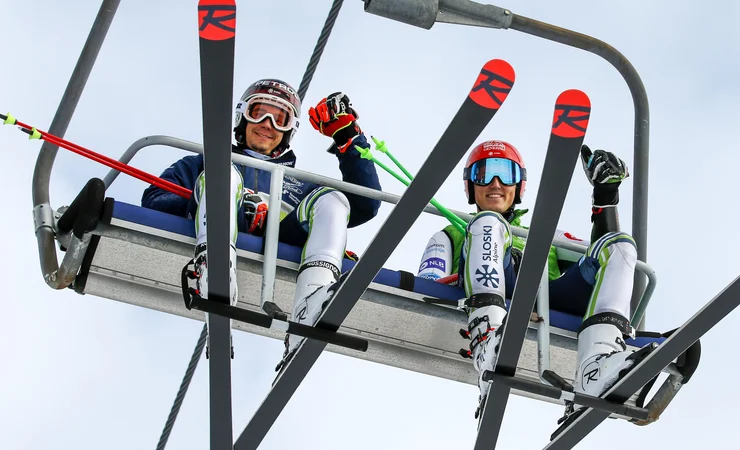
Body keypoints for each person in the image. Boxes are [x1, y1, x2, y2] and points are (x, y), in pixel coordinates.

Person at [141, 79, 382, 368]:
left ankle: (311, 302)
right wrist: (225, 208)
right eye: (259, 113)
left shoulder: (300, 184)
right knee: (223, 173)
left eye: (279, 119)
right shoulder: (203, 163)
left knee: (332, 199)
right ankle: (215, 269)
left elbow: (366, 205)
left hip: (285, 237)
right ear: (243, 116)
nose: (267, 124)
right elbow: (155, 199)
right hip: (220, 226)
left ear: (288, 130)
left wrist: (348, 138)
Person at [417, 140, 639, 420]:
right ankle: (487, 340)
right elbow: (427, 284)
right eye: (483, 174)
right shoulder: (451, 234)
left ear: (519, 185)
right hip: (493, 294)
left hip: (550, 295)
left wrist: (606, 197)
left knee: (621, 245)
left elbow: (598, 257)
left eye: (505, 174)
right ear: (470, 185)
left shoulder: (546, 234)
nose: (495, 183)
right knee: (488, 223)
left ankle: (596, 366)